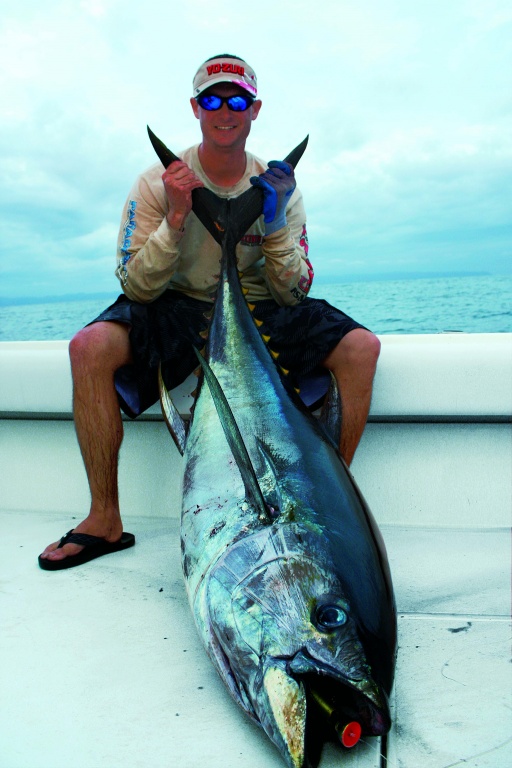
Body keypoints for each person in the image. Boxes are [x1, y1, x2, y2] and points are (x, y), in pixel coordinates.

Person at [38, 54, 380, 570]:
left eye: (237, 99)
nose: (226, 110)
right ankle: (103, 517)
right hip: (176, 306)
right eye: (213, 99)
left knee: (362, 348)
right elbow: (137, 286)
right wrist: (177, 217)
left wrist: (275, 223)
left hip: (260, 306)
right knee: (88, 346)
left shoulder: (278, 186)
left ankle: (325, 504)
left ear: (255, 109)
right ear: (196, 108)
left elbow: (293, 292)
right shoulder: (157, 182)